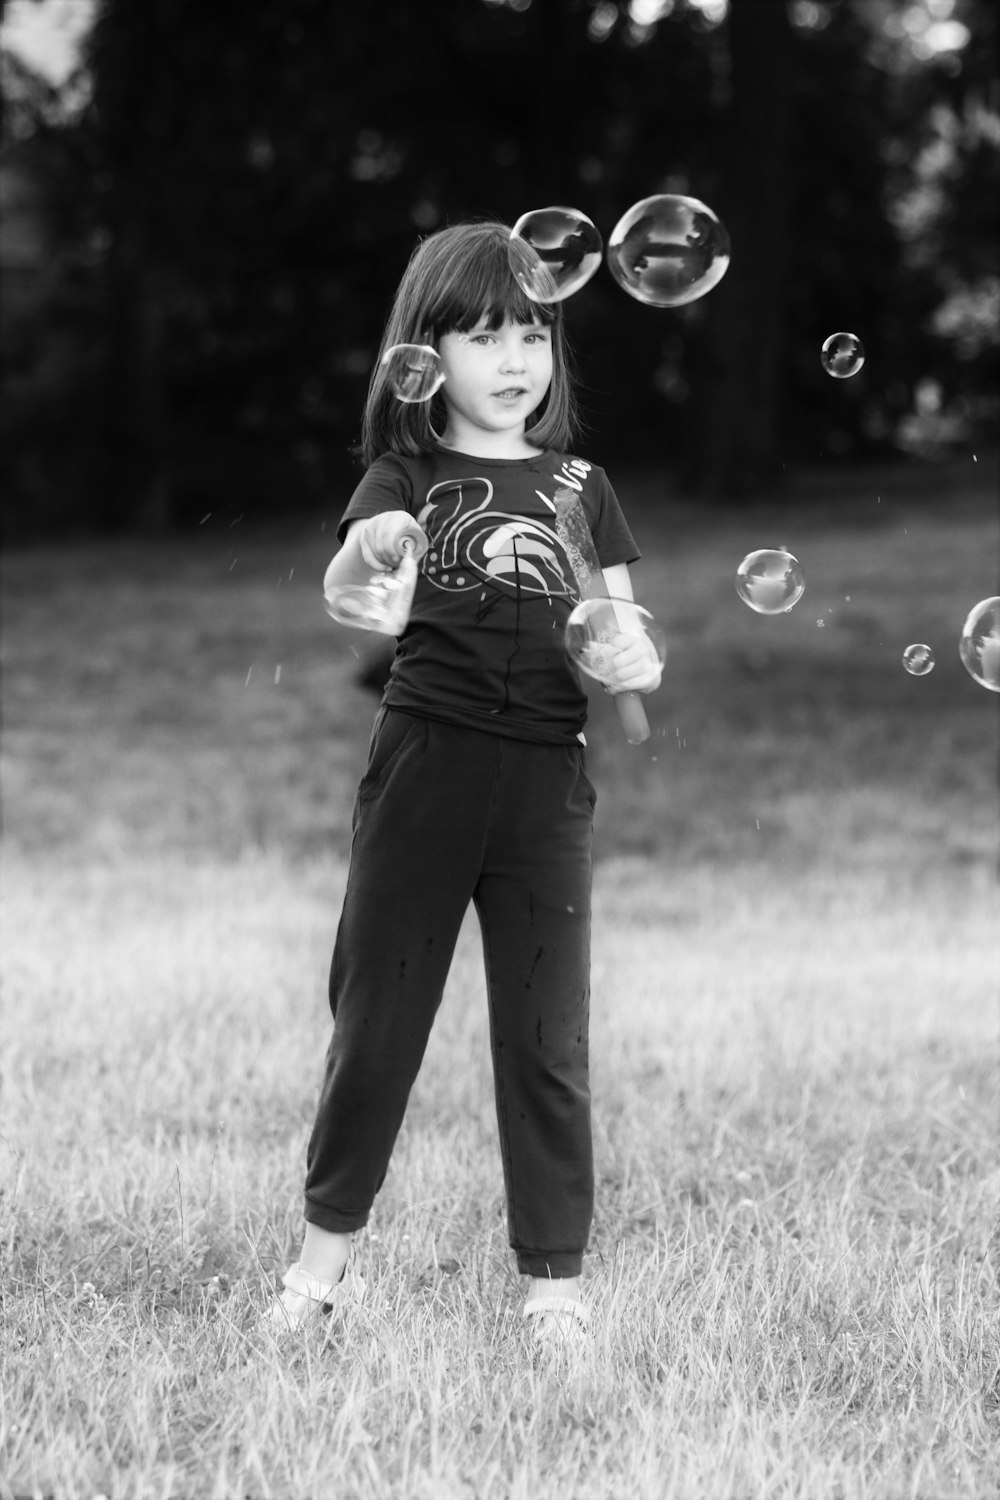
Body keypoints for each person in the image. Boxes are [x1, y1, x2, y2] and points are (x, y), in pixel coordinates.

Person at [267, 219, 661, 1345]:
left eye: (531, 331)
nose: (512, 360)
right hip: (424, 777)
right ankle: (318, 1269)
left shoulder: (582, 487)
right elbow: (354, 572)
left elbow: (622, 633)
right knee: (377, 1026)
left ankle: (554, 1293)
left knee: (547, 1041)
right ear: (423, 354)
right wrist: (377, 543)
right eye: (482, 334)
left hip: (547, 790)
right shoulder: (408, 477)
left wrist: (641, 654)